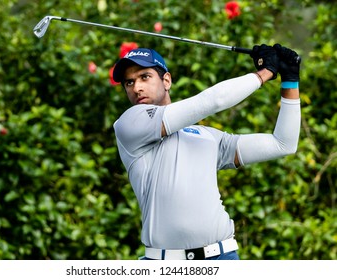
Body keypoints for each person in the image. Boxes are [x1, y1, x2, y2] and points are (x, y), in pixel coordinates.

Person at [112, 44, 301, 260]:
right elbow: (212, 101)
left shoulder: (207, 136)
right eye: (129, 82)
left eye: (145, 77)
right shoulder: (129, 124)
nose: (136, 87)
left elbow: (283, 144)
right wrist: (265, 73)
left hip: (222, 257)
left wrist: (290, 80)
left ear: (167, 81)